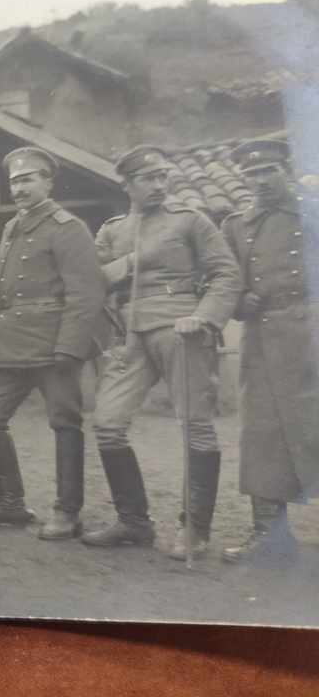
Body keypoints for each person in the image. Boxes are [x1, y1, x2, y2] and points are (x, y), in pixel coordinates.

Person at [83, 145, 240, 559]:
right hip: (132, 335)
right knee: (107, 422)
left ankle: (195, 529)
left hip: (181, 329)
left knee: (196, 426)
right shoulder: (113, 229)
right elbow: (94, 281)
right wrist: (128, 265)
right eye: (148, 179)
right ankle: (134, 523)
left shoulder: (190, 221)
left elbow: (226, 274)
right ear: (127, 184)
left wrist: (203, 318)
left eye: (162, 177)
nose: (158, 185)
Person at [0, 146, 106, 540]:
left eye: (28, 179)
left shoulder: (68, 228)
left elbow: (86, 293)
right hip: (12, 340)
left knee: (65, 422)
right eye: (14, 181)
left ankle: (67, 512)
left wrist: (69, 346)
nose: (19, 188)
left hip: (53, 342)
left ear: (48, 182)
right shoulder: (11, 228)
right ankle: (11, 504)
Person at [220, 138, 319, 565]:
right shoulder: (237, 226)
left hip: (313, 327)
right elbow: (223, 278)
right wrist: (240, 301)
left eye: (267, 172)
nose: (259, 181)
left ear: (285, 170)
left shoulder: (312, 212)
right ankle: (271, 538)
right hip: (261, 337)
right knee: (261, 432)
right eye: (251, 175)